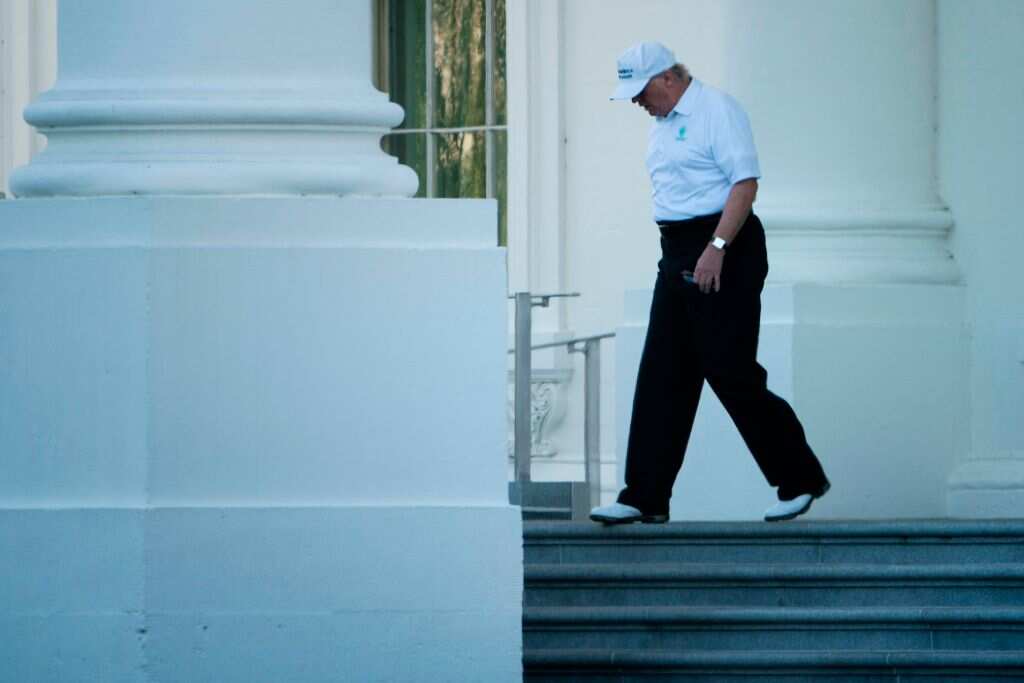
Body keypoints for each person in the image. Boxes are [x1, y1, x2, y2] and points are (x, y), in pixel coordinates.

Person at [590, 41, 830, 525]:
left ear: (668, 78)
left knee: (729, 368)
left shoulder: (717, 109)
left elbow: (745, 184)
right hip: (676, 249)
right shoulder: (662, 125)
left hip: (725, 246)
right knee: (663, 372)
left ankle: (800, 477)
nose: (637, 101)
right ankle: (645, 496)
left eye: (641, 90)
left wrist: (716, 249)